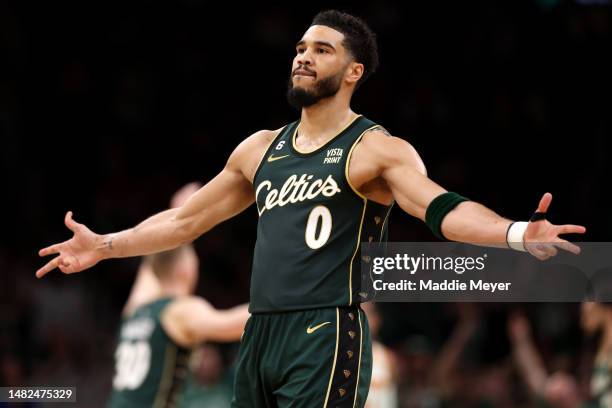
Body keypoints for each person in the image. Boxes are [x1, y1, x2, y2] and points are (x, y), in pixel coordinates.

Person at [36, 10, 586, 407]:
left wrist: (514, 232)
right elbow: (182, 222)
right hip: (260, 333)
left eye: (322, 50)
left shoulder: (375, 148)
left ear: (353, 72)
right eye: (300, 47)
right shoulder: (259, 148)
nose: (303, 55)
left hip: (327, 330)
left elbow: (440, 208)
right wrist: (105, 246)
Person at [108, 183, 249, 407]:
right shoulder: (179, 312)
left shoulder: (135, 310)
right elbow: (235, 324)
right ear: (187, 269)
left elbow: (150, 261)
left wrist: (176, 217)